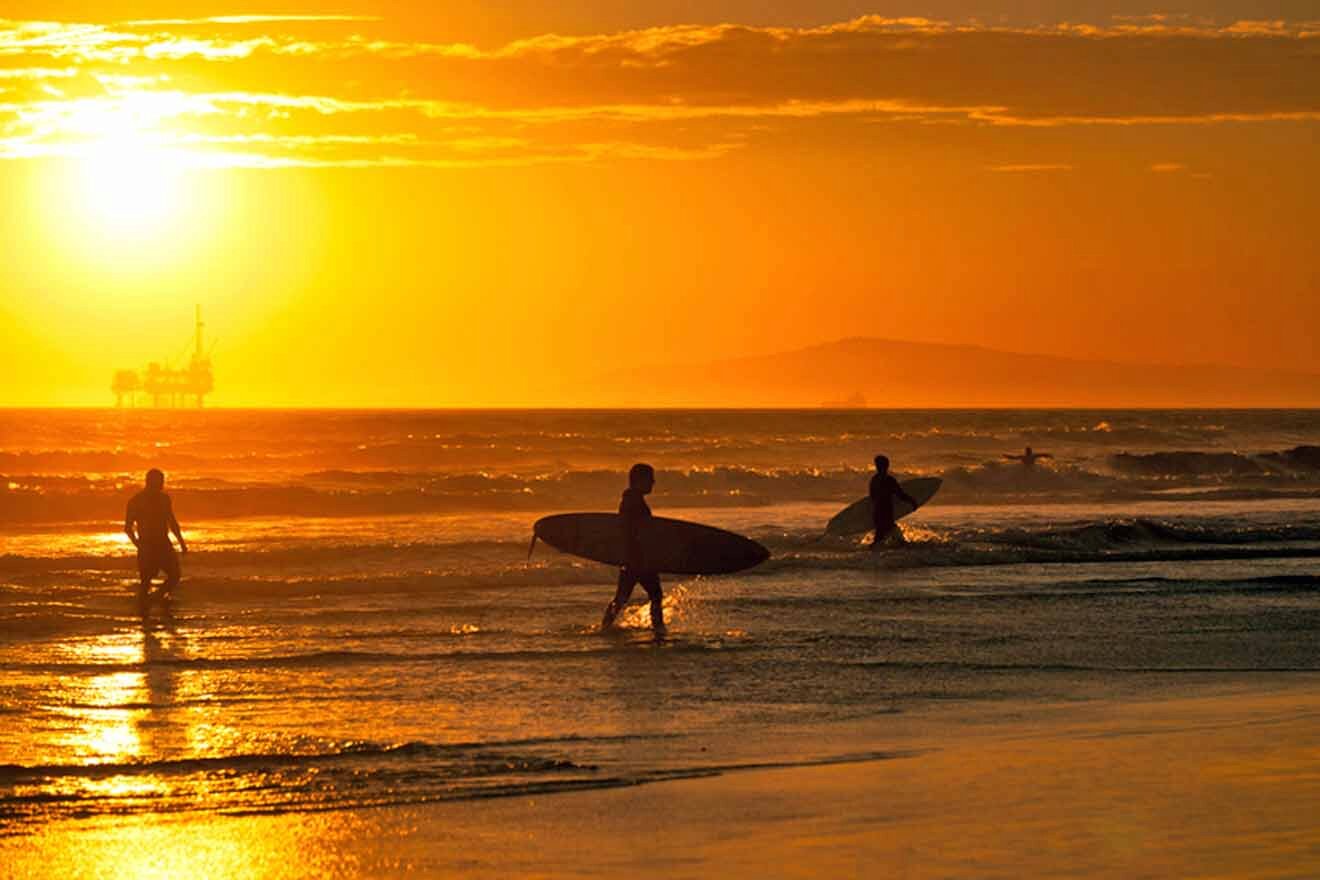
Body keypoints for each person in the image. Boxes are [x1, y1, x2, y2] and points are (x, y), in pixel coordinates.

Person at [601, 463, 665, 634]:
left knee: (622, 598)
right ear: (639, 480)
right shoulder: (633, 501)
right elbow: (634, 530)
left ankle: (605, 626)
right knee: (655, 595)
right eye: (650, 479)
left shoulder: (631, 499)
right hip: (639, 559)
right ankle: (658, 629)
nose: (653, 482)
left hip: (632, 558)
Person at [124, 469, 188, 609]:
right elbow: (128, 528)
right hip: (147, 546)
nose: (162, 485)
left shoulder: (164, 499)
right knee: (146, 582)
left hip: (164, 544)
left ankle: (157, 598)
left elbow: (172, 522)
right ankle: (144, 614)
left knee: (175, 576)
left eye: (162, 481)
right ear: (150, 482)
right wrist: (138, 544)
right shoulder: (136, 501)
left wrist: (181, 542)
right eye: (160, 481)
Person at [870, 454, 917, 549]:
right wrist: (912, 501)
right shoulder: (889, 480)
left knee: (880, 536)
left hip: (877, 513)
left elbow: (872, 497)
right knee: (892, 537)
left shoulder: (873, 480)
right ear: (887, 465)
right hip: (886, 512)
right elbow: (900, 494)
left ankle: (875, 553)